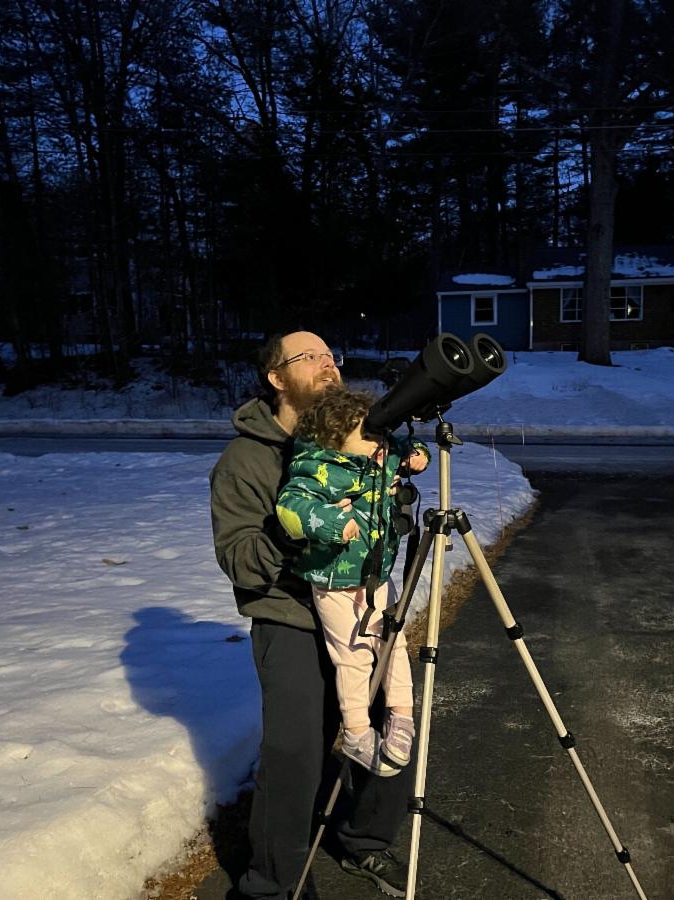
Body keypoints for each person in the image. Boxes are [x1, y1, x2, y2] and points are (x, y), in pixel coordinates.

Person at [209, 332, 418, 900]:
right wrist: (292, 529)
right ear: (277, 377)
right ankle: (271, 884)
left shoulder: (358, 432)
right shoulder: (245, 459)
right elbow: (239, 560)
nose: (329, 365)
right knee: (294, 751)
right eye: (311, 357)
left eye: (332, 355)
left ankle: (365, 840)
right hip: (288, 614)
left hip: (361, 603)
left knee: (396, 723)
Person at [275, 386, 428, 778]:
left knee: (393, 642)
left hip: (376, 574)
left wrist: (417, 456)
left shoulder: (381, 453)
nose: (380, 443)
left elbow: (407, 445)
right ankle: (358, 732)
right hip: (333, 579)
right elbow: (291, 508)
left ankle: (401, 715)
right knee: (353, 655)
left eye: (381, 434)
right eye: (369, 435)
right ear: (336, 436)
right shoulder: (317, 466)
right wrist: (330, 522)